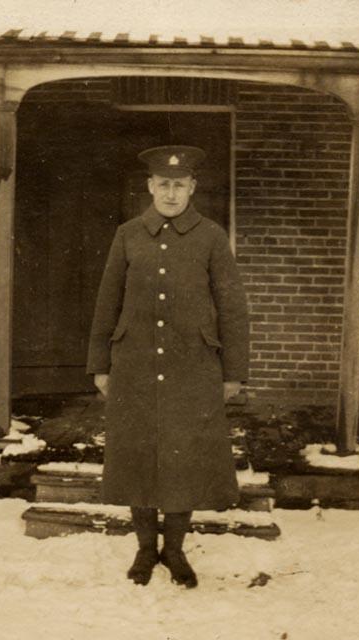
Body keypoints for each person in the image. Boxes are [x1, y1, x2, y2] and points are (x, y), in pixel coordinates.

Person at [86, 145, 249, 589]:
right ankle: (144, 550)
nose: (171, 193)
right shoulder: (129, 235)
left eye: (180, 185)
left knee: (185, 457)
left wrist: (233, 372)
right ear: (150, 186)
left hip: (192, 366)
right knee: (138, 454)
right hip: (135, 364)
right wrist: (100, 363)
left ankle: (174, 551)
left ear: (192, 187)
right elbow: (108, 302)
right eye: (163, 185)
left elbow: (232, 308)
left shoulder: (212, 237)